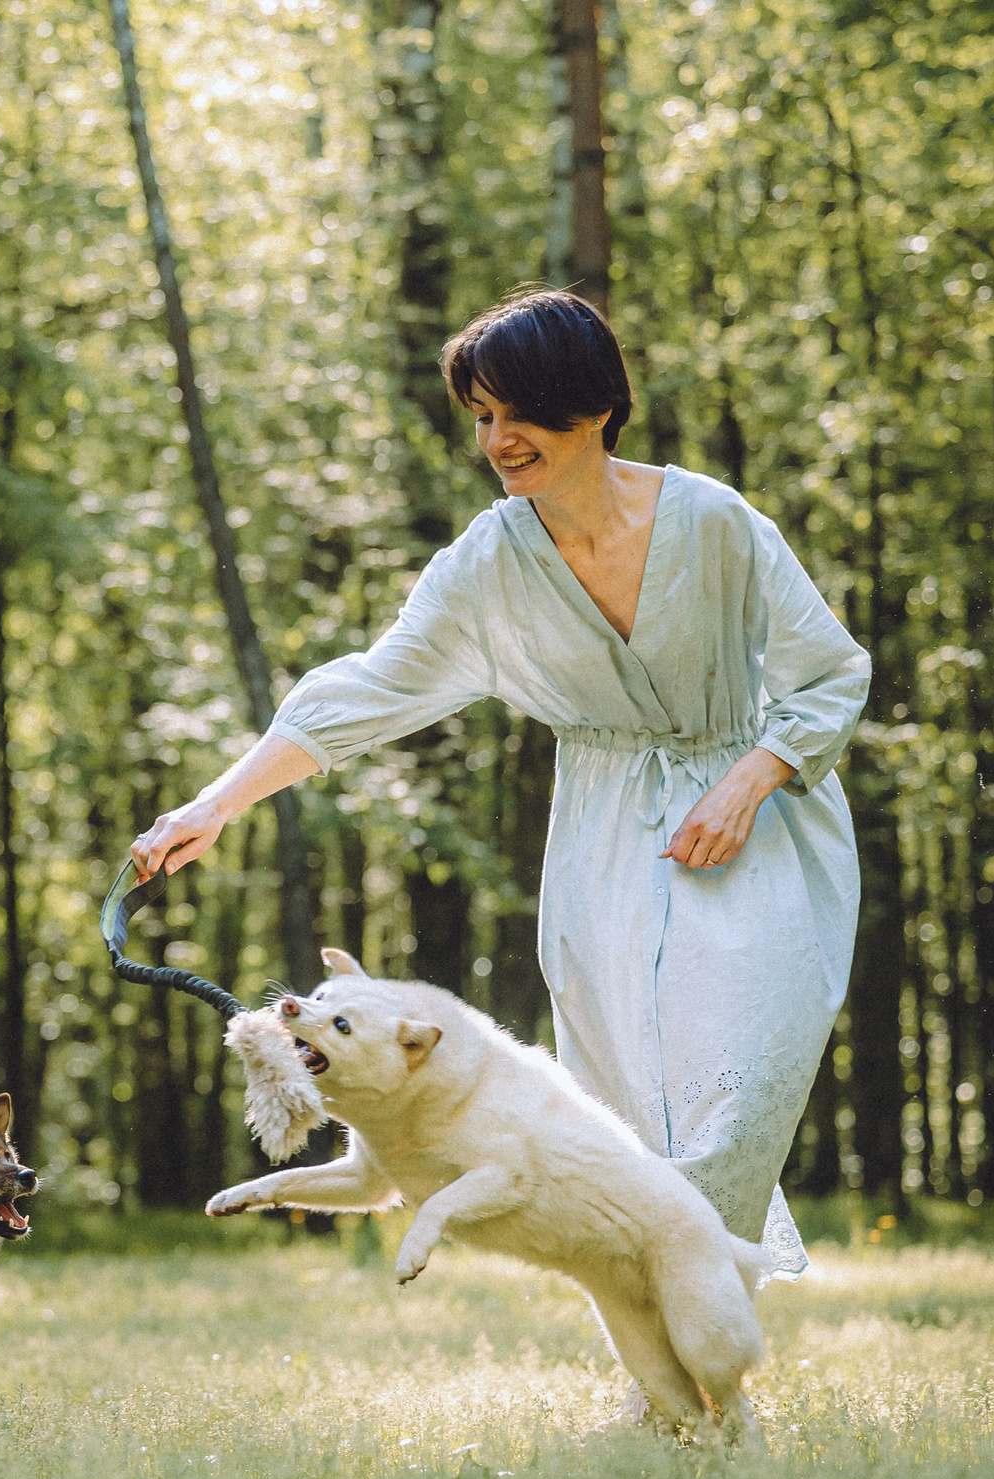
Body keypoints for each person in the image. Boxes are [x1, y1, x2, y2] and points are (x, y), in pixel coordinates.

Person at [130, 287, 869, 1276]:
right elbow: (368, 688)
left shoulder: (713, 522)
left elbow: (830, 672)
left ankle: (701, 1285)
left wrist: (750, 780)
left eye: (522, 413)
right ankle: (674, 1318)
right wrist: (217, 802)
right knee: (626, 1105)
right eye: (482, 416)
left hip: (753, 819)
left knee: (739, 1079)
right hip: (606, 839)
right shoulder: (489, 560)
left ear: (596, 406)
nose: (498, 439)